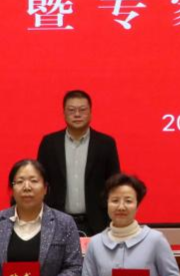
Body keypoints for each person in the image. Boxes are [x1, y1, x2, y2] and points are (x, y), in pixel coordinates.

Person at [37, 90, 121, 236]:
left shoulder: (106, 143)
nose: (77, 114)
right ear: (64, 113)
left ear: (90, 113)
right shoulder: (49, 143)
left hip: (97, 224)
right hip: (57, 222)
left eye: (82, 110)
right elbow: (40, 182)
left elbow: (114, 184)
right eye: (71, 110)